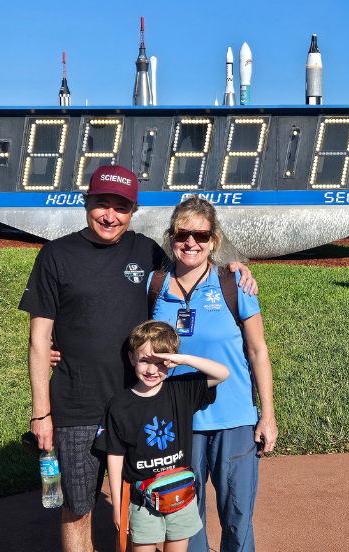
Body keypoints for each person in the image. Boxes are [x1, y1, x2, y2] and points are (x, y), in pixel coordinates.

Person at [18, 166, 255, 552]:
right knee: (78, 507)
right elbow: (38, 339)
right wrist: (41, 414)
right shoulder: (55, 255)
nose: (110, 216)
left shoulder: (146, 251)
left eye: (121, 207)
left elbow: (192, 258)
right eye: (102, 204)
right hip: (78, 405)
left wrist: (233, 266)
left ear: (132, 211)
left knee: (147, 504)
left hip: (140, 403)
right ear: (86, 203)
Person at [148, 196, 278, 552]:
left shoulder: (234, 284)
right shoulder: (154, 286)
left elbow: (257, 350)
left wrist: (267, 414)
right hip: (178, 421)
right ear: (171, 236)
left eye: (201, 236)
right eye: (182, 233)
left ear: (213, 241)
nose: (191, 243)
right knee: (186, 522)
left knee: (237, 517)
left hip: (233, 420)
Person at [94, 321, 229, 552]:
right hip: (141, 501)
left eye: (160, 362)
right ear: (132, 358)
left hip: (180, 497)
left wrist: (183, 359)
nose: (152, 370)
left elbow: (222, 373)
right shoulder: (120, 406)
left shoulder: (182, 391)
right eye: (145, 360)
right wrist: (117, 505)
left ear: (171, 361)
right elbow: (115, 457)